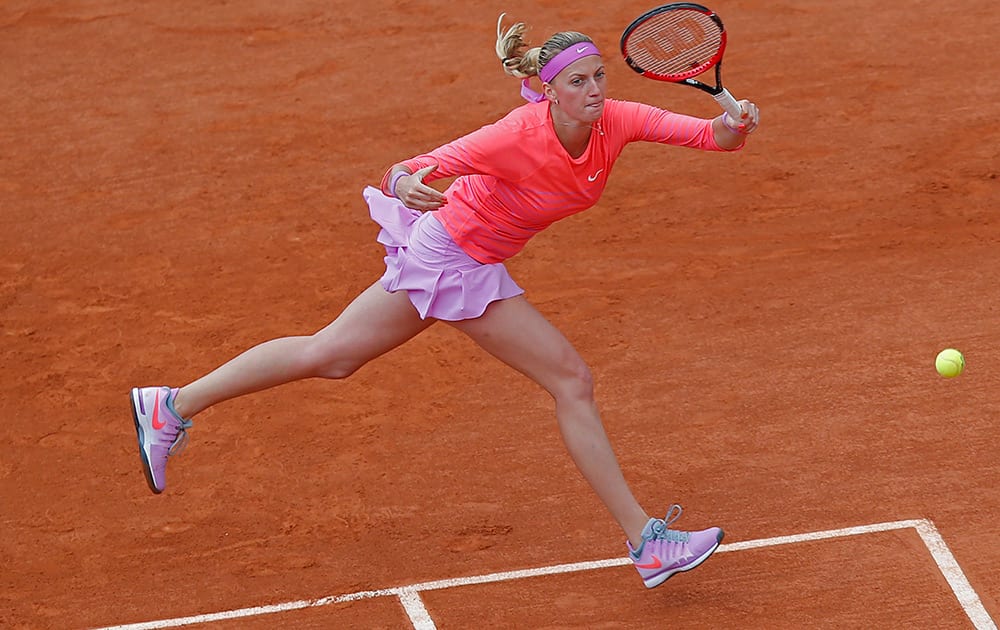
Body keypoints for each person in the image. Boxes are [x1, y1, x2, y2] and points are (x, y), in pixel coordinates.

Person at [130, 14, 760, 589]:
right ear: (547, 91)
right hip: (451, 256)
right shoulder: (515, 135)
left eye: (599, 76)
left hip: (460, 254)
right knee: (571, 379)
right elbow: (408, 168)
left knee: (332, 356)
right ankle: (647, 543)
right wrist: (407, 184)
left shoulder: (616, 120)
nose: (595, 89)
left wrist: (732, 126)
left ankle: (173, 405)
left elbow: (709, 137)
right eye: (578, 81)